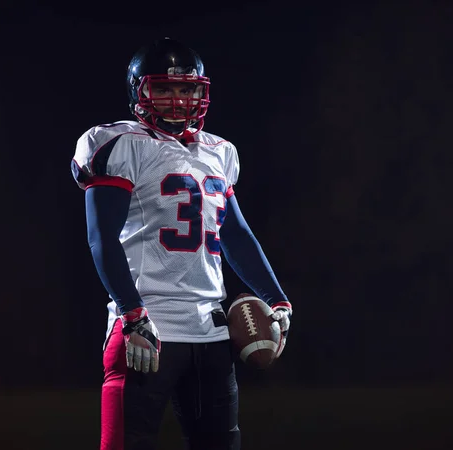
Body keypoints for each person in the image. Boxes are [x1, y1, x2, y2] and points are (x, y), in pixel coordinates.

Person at [71, 37, 293, 450]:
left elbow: (236, 235)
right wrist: (132, 313)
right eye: (165, 88)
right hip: (148, 330)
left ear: (201, 91)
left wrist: (277, 298)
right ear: (140, 91)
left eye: (187, 88)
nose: (177, 99)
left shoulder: (219, 152)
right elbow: (101, 238)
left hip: (211, 333)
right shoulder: (121, 144)